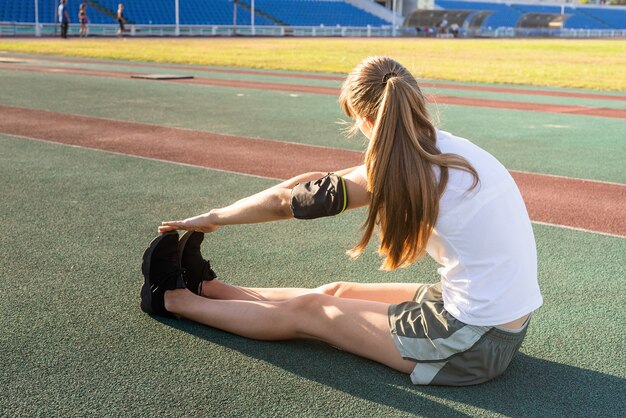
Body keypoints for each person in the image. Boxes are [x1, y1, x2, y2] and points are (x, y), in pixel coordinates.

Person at [141, 56, 543, 386]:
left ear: (367, 122)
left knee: (314, 312)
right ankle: (208, 289)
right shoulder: (447, 148)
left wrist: (213, 218)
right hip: (496, 323)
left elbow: (287, 202)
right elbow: (309, 192)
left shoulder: (402, 168)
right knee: (334, 291)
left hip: (471, 341)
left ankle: (173, 299)